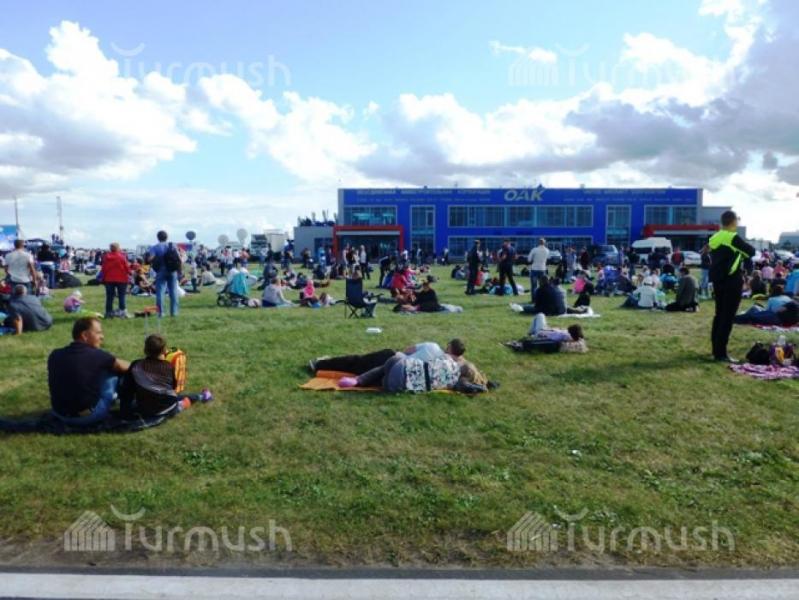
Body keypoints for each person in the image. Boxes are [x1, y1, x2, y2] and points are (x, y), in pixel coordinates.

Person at [48, 317, 130, 425]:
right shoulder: (98, 356)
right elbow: (128, 367)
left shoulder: (55, 354)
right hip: (88, 416)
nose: (102, 337)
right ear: (85, 335)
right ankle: (121, 400)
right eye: (98, 333)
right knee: (112, 374)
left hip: (59, 414)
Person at [119, 334, 212, 419]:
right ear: (164, 350)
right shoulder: (168, 367)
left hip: (143, 409)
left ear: (145, 350)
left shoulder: (136, 365)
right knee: (176, 400)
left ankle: (194, 399)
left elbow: (126, 389)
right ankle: (194, 400)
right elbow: (173, 388)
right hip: (166, 408)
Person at [336, 339, 482, 393]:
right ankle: (359, 380)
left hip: (396, 364)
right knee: (381, 371)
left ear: (449, 347)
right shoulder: (451, 382)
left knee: (362, 362)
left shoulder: (439, 353)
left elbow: (407, 350)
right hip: (392, 387)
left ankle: (358, 380)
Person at [709, 210, 755, 362]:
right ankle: (721, 353)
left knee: (719, 314)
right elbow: (751, 251)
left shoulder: (715, 237)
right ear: (734, 221)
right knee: (728, 317)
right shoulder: (732, 237)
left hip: (718, 280)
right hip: (732, 280)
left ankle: (715, 349)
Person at [147, 231, 181, 317]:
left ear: (158, 238)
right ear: (167, 237)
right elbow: (179, 258)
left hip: (161, 270)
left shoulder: (155, 247)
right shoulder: (173, 245)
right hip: (172, 270)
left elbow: (150, 259)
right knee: (173, 291)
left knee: (160, 292)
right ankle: (174, 312)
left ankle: (161, 312)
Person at [101, 242, 131, 318]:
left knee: (109, 297)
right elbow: (127, 268)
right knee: (121, 296)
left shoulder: (106, 257)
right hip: (122, 279)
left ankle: (108, 313)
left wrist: (103, 279)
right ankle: (122, 312)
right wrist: (130, 273)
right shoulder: (122, 257)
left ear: (110, 248)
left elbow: (103, 269)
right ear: (118, 248)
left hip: (109, 279)